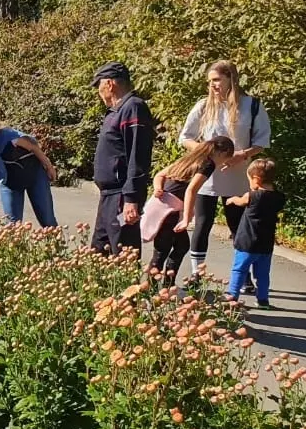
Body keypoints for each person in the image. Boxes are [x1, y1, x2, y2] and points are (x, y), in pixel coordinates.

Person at [179, 60, 271, 287]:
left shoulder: (252, 106)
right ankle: (197, 274)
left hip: (238, 178)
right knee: (202, 224)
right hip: (208, 175)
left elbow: (261, 140)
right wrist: (206, 152)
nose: (212, 85)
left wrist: (242, 154)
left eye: (217, 80)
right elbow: (185, 137)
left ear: (231, 78)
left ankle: (244, 276)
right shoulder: (203, 106)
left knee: (240, 228)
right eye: (210, 81)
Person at [145, 135, 235, 286]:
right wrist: (186, 218)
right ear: (221, 152)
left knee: (180, 246)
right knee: (163, 249)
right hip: (170, 210)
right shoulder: (208, 164)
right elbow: (191, 190)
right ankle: (150, 290)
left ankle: (168, 284)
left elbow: (160, 174)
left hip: (162, 205)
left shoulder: (190, 159)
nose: (222, 164)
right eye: (225, 159)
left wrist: (158, 188)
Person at [90, 61, 155, 257]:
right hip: (108, 196)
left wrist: (131, 199)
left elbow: (138, 154)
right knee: (99, 252)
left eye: (99, 86)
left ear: (109, 84)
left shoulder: (133, 108)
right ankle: (103, 288)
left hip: (121, 196)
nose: (99, 92)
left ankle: (128, 287)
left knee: (123, 250)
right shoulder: (116, 111)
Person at [226, 158, 284, 308]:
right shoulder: (279, 198)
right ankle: (263, 300)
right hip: (266, 244)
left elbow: (241, 201)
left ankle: (232, 296)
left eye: (250, 180)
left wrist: (233, 199)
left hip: (247, 242)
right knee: (263, 274)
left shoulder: (252, 196)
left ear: (256, 179)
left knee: (239, 269)